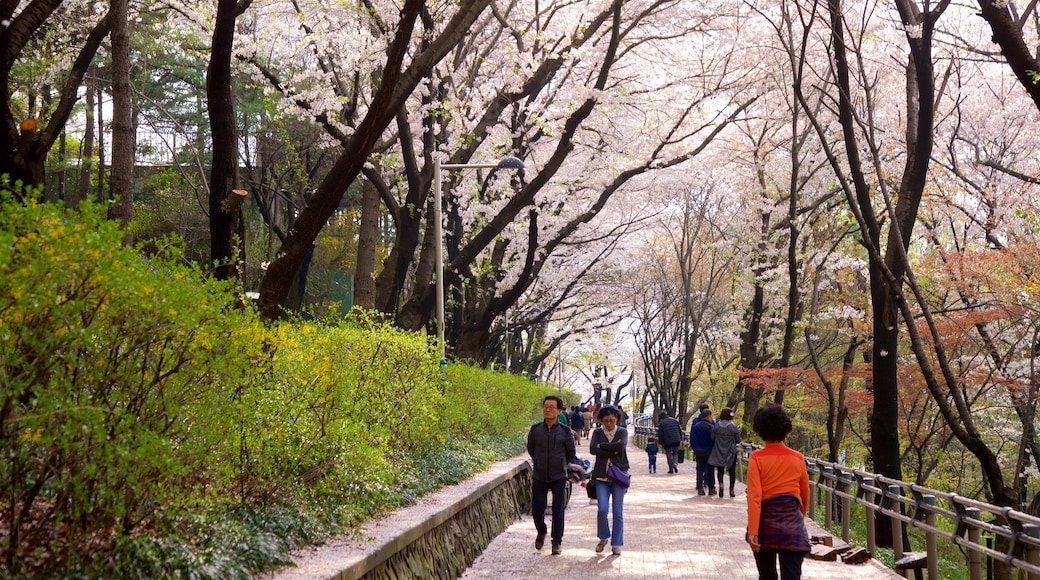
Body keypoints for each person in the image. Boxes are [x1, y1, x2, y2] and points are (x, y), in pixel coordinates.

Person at [746, 404, 811, 580]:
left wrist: (752, 530)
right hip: (792, 523)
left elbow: (754, 497)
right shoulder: (797, 458)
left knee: (767, 576)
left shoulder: (757, 458)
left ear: (760, 430)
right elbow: (805, 495)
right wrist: (797, 518)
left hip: (764, 525)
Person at [527, 395, 577, 556]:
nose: (547, 409)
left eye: (551, 407)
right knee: (537, 509)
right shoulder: (535, 430)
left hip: (558, 477)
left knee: (558, 510)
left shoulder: (565, 431)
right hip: (540, 476)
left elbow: (571, 452)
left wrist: (561, 463)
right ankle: (541, 531)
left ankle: (556, 542)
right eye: (545, 406)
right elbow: (531, 449)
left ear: (559, 411)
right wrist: (539, 462)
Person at [589, 405, 629, 556]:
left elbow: (622, 446)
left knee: (618, 512)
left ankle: (617, 543)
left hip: (618, 476)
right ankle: (603, 537)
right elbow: (593, 449)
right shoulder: (598, 432)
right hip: (601, 476)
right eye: (605, 421)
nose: (609, 424)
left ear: (617, 419)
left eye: (612, 421)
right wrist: (613, 449)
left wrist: (603, 447)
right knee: (602, 509)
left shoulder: (622, 431)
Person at [708, 407, 741, 497]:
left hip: (718, 450)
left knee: (720, 470)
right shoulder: (733, 427)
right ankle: (731, 490)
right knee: (732, 471)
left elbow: (712, 438)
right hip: (730, 452)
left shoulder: (717, 426)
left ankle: (721, 484)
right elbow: (738, 440)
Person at [690, 408, 715, 495]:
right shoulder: (711, 427)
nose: (712, 417)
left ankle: (700, 487)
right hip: (709, 451)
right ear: (708, 416)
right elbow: (713, 440)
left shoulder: (696, 426)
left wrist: (695, 449)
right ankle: (711, 488)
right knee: (710, 470)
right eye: (711, 415)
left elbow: (692, 439)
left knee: (700, 469)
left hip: (698, 451)